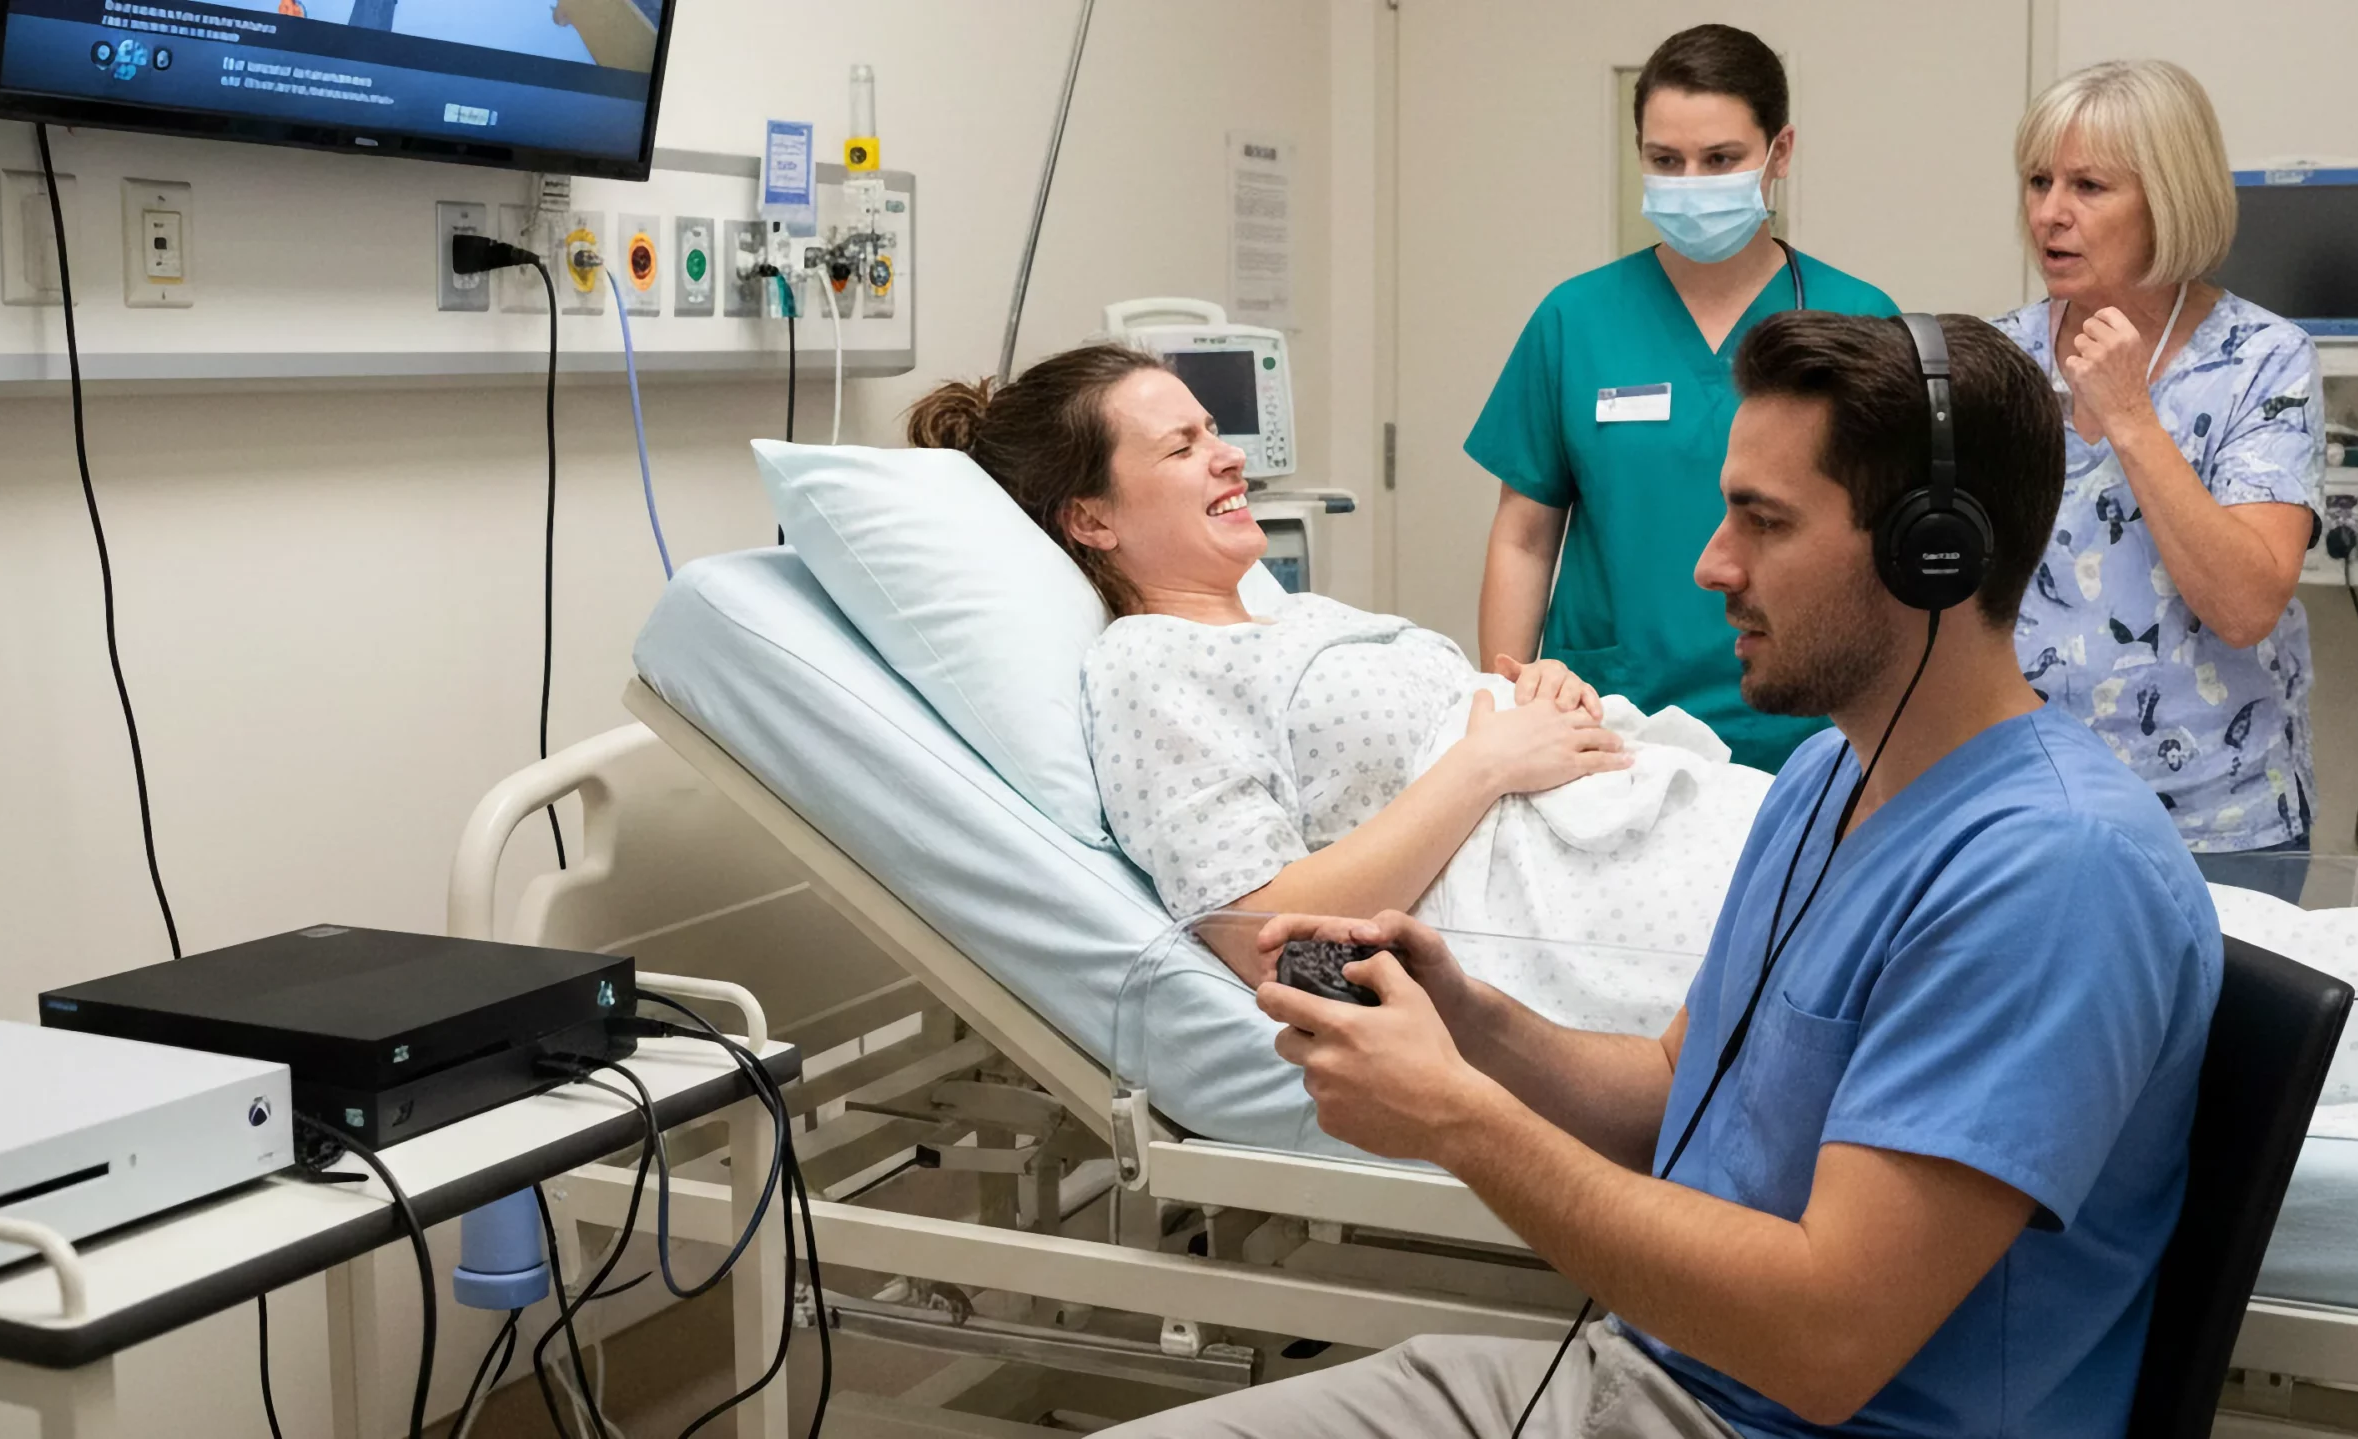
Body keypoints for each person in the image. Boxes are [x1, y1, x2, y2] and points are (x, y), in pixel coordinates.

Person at [1101, 313, 2222, 1438]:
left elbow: (1826, 1339)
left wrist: (1456, 1120)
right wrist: (1474, 1024)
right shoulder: (1831, 775)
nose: (1710, 564)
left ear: (1931, 551)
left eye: (1763, 522)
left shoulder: (2051, 874)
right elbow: (1675, 1089)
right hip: (1645, 1379)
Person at [906, 346, 1772, 1017]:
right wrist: (1488, 763)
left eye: (1213, 429)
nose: (1229, 456)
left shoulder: (1289, 614)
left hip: (1628, 816)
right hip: (1560, 905)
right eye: (1183, 447)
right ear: (1092, 518)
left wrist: (1536, 693)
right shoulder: (1146, 665)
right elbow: (1260, 935)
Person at [1469, 24, 1899, 775]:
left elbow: (1885, 540)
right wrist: (1504, 717)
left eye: (1721, 159)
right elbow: (1524, 536)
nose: (1691, 182)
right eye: (1665, 161)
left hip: (1801, 731)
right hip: (1604, 722)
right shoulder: (1576, 319)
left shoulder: (1855, 319)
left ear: (1780, 153)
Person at [1996, 60, 2323, 900]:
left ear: (2169, 198)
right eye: (2040, 181)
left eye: (2089, 185)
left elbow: (2247, 605)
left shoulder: (2263, 360)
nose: (2050, 212)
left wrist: (2131, 416)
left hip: (2219, 828)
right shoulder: (1998, 360)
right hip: (2030, 809)